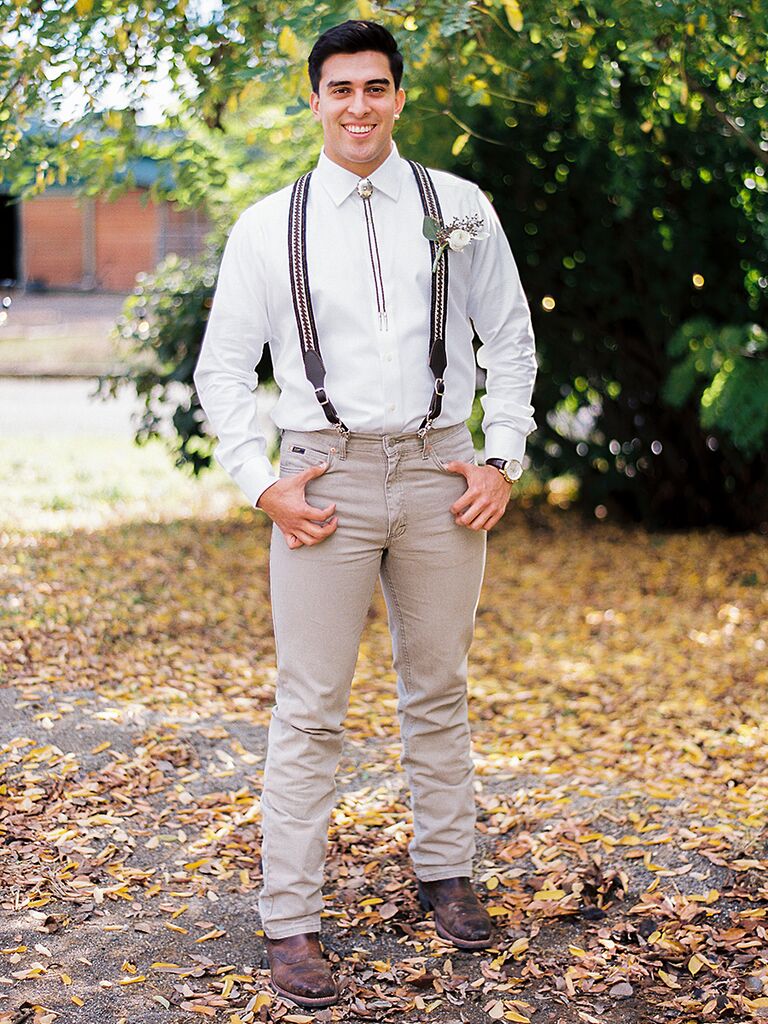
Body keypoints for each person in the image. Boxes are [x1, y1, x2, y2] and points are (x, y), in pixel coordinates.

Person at [193, 19, 537, 1009]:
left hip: (439, 472)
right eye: (339, 89)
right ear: (314, 101)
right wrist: (259, 480)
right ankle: (290, 919)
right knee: (309, 707)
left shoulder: (457, 207)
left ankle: (447, 872)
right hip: (322, 480)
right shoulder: (269, 225)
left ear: (398, 97)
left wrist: (503, 458)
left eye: (375, 87)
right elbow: (224, 368)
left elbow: (511, 339)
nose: (358, 105)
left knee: (439, 688)